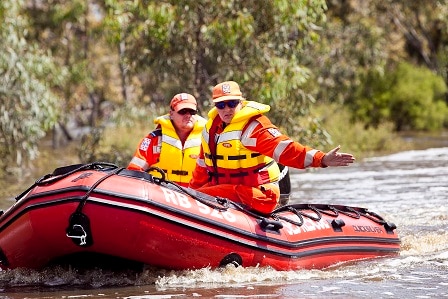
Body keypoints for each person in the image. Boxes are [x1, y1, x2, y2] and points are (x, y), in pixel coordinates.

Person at [189, 81, 355, 214]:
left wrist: (322, 159)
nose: (227, 109)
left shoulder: (254, 128)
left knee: (200, 197)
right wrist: (185, 195)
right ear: (215, 106)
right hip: (225, 191)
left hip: (259, 195)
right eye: (221, 105)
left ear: (241, 102)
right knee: (196, 195)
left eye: (232, 103)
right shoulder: (211, 130)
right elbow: (202, 167)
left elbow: (287, 149)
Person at [128, 93, 206, 187]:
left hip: (194, 196)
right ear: (171, 114)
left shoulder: (206, 139)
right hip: (159, 195)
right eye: (183, 111)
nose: (188, 115)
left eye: (192, 112)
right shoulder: (153, 140)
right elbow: (134, 171)